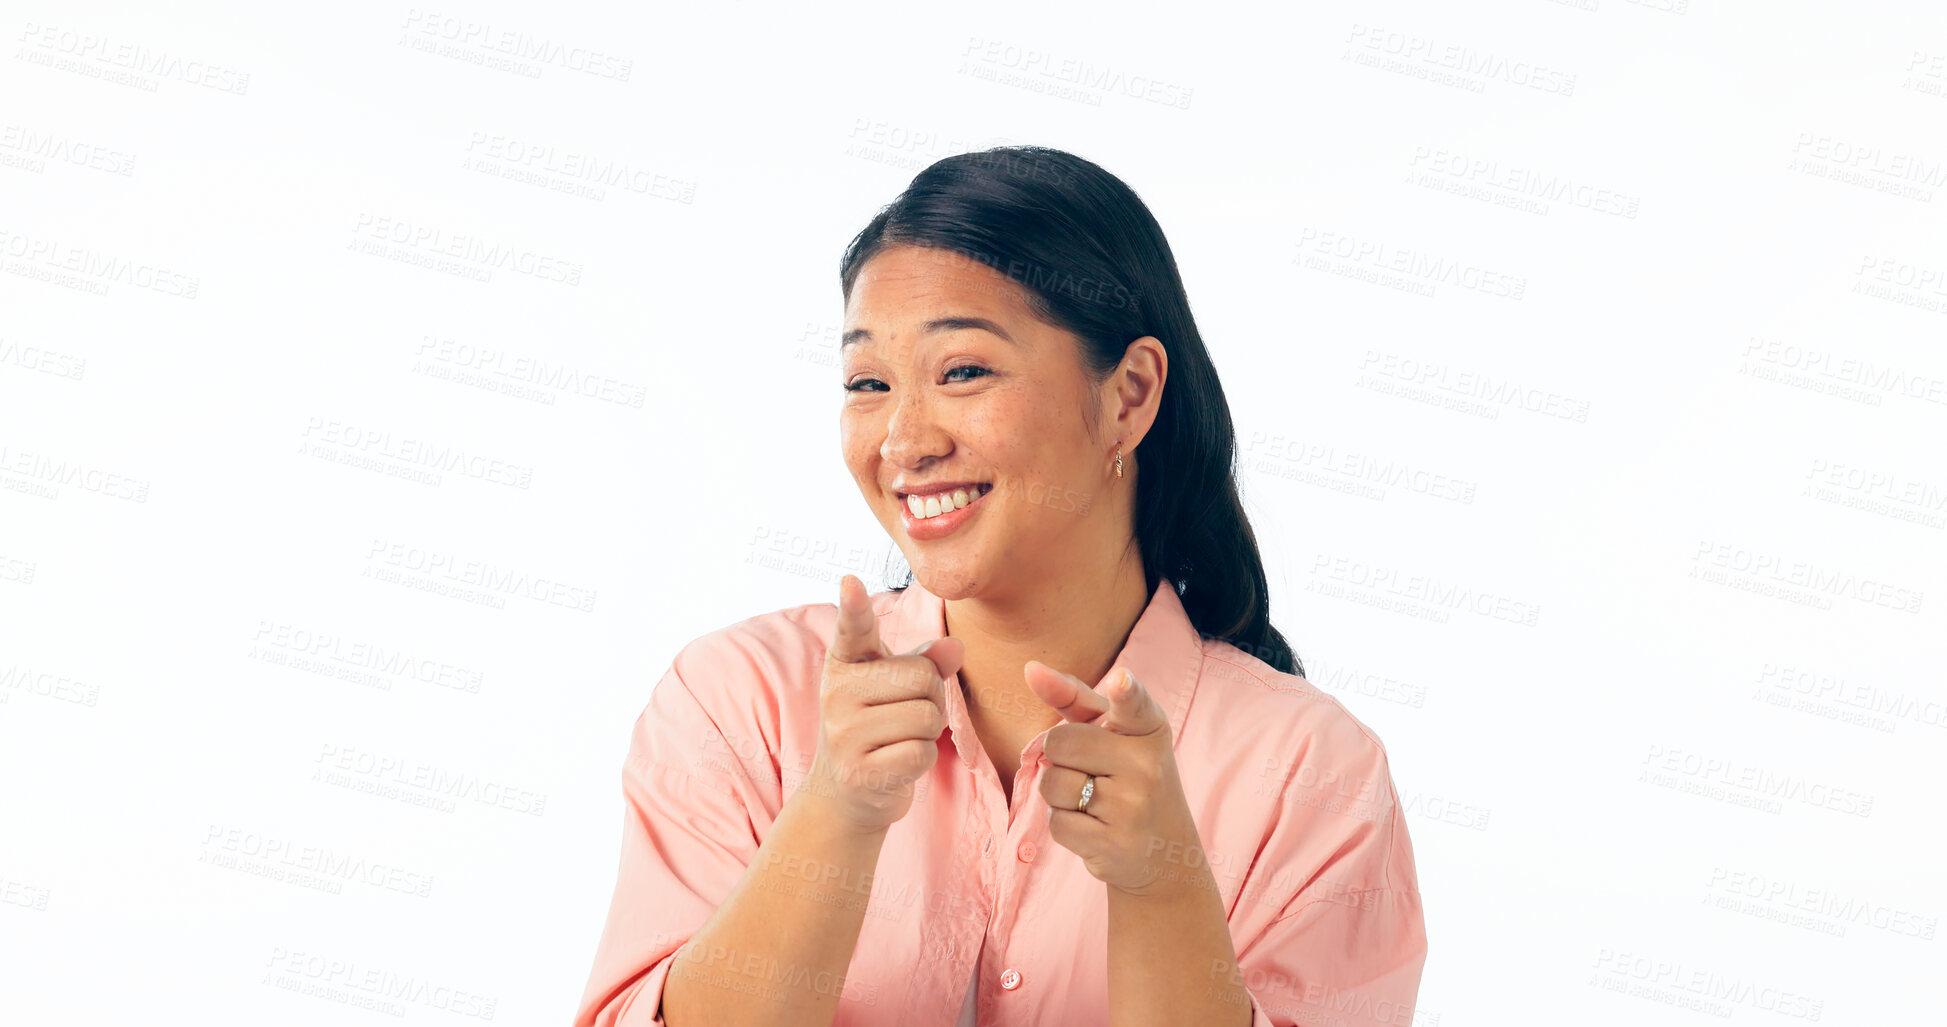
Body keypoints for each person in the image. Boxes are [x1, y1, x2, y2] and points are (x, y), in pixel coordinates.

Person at [573, 146, 1426, 1027]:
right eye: (868, 382)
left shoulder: (1310, 773)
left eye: (963, 372)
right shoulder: (739, 702)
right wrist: (836, 810)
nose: (903, 441)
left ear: (1130, 394)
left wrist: (1161, 888)